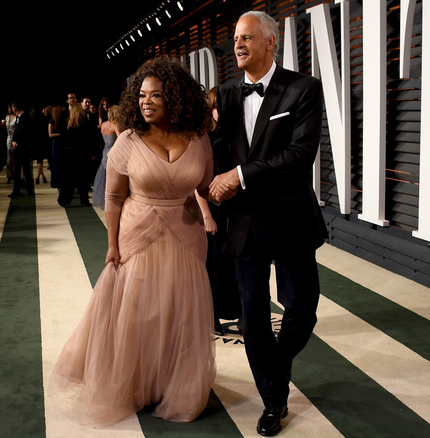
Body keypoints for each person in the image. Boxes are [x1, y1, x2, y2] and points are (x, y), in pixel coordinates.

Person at [52, 55, 215, 426]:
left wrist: (223, 195)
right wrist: (112, 244)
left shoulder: (198, 138)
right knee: (139, 314)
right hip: (138, 234)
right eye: (142, 95)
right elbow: (112, 198)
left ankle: (171, 384)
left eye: (156, 95)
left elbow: (205, 186)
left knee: (178, 313)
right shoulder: (128, 140)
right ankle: (136, 385)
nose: (146, 102)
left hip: (187, 235)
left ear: (175, 98)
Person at [209, 11, 327, 437]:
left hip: (291, 220)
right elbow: (222, 151)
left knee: (302, 311)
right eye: (235, 38)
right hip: (244, 224)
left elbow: (299, 157)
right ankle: (273, 400)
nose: (237, 44)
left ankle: (274, 367)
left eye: (246, 37)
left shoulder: (303, 89)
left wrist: (238, 176)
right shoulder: (225, 93)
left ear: (270, 42)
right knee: (251, 317)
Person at [195, 85, 241, 336]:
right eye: (214, 107)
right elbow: (197, 183)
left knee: (238, 266)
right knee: (213, 268)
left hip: (237, 212)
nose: (219, 112)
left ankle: (244, 316)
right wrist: (207, 216)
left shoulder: (237, 136)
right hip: (213, 213)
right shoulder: (204, 139)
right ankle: (210, 320)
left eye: (222, 108)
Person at [91, 104, 122, 209]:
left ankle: (106, 200)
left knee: (104, 177)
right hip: (114, 152)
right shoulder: (116, 125)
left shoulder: (103, 124)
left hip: (105, 151)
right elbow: (120, 140)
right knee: (113, 178)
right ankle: (113, 200)